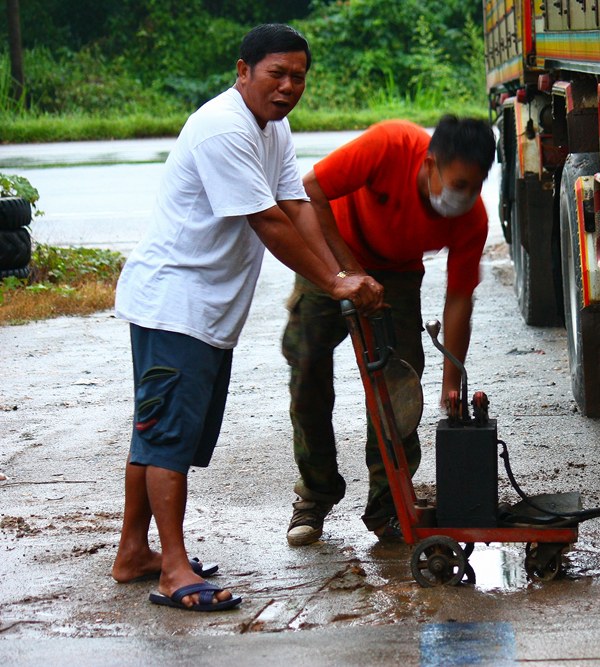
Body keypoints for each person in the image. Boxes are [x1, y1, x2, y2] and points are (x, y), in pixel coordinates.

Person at [110, 24, 383, 611]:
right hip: (175, 305)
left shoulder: (273, 129)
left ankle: (134, 551)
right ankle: (174, 571)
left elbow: (296, 206)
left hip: (205, 310)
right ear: (243, 71)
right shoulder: (222, 129)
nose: (288, 87)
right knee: (166, 441)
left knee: (156, 432)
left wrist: (340, 272)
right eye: (275, 74)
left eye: (298, 77)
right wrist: (334, 280)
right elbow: (269, 222)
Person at [282, 115, 496, 546]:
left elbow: (458, 300)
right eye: (458, 184)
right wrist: (348, 273)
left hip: (396, 276)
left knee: (397, 388)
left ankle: (389, 506)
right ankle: (315, 494)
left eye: (475, 187)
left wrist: (451, 382)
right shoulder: (389, 144)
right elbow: (310, 192)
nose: (465, 196)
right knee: (306, 369)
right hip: (329, 256)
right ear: (430, 162)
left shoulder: (471, 219)